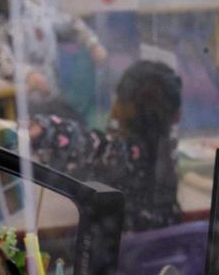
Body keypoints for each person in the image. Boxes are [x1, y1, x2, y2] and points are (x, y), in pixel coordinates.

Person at [29, 59, 183, 230]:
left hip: (124, 255)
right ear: (176, 115)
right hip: (163, 252)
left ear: (121, 107)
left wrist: (37, 128)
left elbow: (76, 141)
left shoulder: (117, 155)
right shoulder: (167, 156)